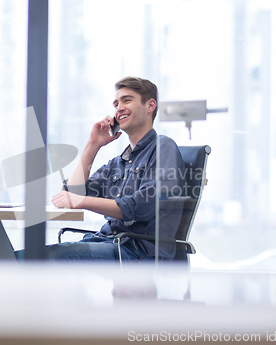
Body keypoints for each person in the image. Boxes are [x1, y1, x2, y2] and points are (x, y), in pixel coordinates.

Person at [49, 76, 185, 261]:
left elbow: (140, 208)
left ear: (150, 106)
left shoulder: (163, 147)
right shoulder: (118, 162)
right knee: (22, 259)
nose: (119, 108)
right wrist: (93, 144)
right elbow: (73, 191)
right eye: (115, 104)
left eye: (127, 100)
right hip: (108, 242)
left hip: (137, 252)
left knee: (40, 260)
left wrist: (80, 200)